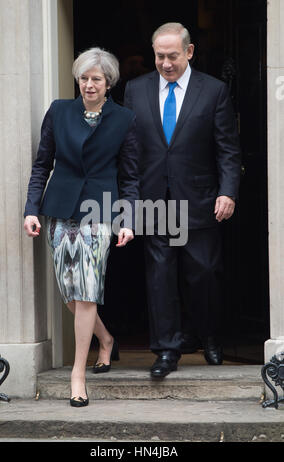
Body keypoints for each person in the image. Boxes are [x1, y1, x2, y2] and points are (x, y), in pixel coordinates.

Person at [124, 23, 241, 377]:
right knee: (159, 276)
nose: (166, 63)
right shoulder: (135, 90)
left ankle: (208, 335)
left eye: (172, 56)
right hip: (153, 202)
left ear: (189, 52)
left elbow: (228, 150)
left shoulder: (214, 91)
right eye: (160, 56)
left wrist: (228, 190)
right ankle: (166, 351)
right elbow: (130, 154)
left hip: (201, 199)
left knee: (203, 274)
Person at [24, 47, 139, 406]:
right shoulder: (59, 112)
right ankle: (105, 339)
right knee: (70, 293)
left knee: (87, 290)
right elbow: (42, 163)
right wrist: (31, 209)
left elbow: (131, 176)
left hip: (99, 211)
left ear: (109, 84)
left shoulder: (124, 119)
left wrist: (128, 220)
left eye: (96, 79)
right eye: (84, 78)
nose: (89, 85)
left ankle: (78, 374)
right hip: (59, 209)